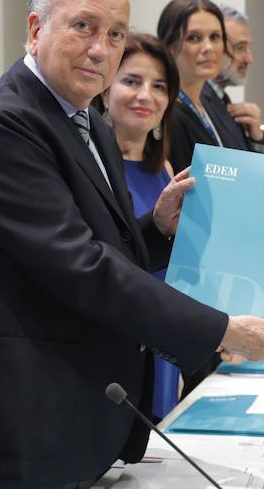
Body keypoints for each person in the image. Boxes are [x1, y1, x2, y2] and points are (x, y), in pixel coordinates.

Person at [0, 0, 264, 488]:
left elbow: (98, 247)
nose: (101, 49)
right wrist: (221, 329)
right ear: (36, 28)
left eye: (115, 34)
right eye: (83, 26)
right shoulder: (2, 122)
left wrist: (156, 231)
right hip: (8, 430)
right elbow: (80, 267)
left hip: (67, 417)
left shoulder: (86, 117)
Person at [99, 32, 181, 419]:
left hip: (164, 339)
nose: (145, 95)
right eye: (131, 81)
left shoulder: (163, 170)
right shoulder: (93, 168)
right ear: (104, 90)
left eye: (159, 86)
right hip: (117, 348)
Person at [156, 0, 264, 172]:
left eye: (215, 37)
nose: (208, 47)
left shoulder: (213, 103)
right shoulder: (166, 113)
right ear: (169, 45)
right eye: (194, 38)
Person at [206, 4, 264, 154]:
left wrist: (258, 137)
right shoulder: (197, 101)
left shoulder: (221, 98)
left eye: (249, 48)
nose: (250, 58)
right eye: (241, 47)